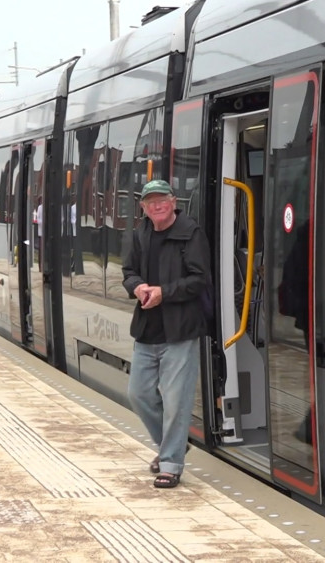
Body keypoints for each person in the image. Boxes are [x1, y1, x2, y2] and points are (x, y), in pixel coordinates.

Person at [122, 179, 211, 489]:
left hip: (181, 329)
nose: (156, 206)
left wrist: (164, 292)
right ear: (143, 208)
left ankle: (171, 463)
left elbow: (199, 280)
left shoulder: (191, 233)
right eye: (150, 202)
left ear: (173, 202)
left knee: (176, 400)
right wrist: (138, 287)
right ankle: (173, 444)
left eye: (162, 200)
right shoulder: (140, 234)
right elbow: (128, 272)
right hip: (148, 329)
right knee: (139, 393)